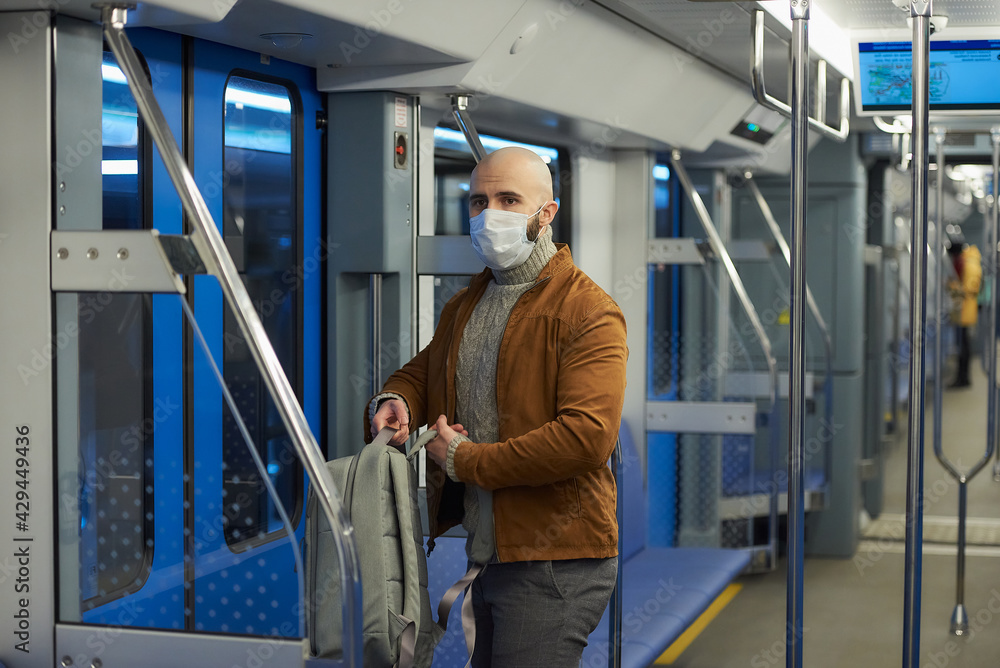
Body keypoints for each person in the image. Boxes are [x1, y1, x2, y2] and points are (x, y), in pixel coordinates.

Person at [365, 146, 628, 666]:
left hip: (555, 559)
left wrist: (466, 460)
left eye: (509, 200)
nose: (490, 215)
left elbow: (585, 438)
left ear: (546, 214)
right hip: (489, 553)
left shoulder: (589, 312)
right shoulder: (468, 303)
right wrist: (397, 401)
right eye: (479, 201)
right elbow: (423, 373)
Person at [947, 241, 981, 388]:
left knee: (963, 346)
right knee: (964, 345)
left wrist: (951, 286)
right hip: (968, 310)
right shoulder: (972, 262)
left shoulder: (965, 264)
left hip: (963, 311)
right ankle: (962, 377)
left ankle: (962, 379)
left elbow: (966, 290)